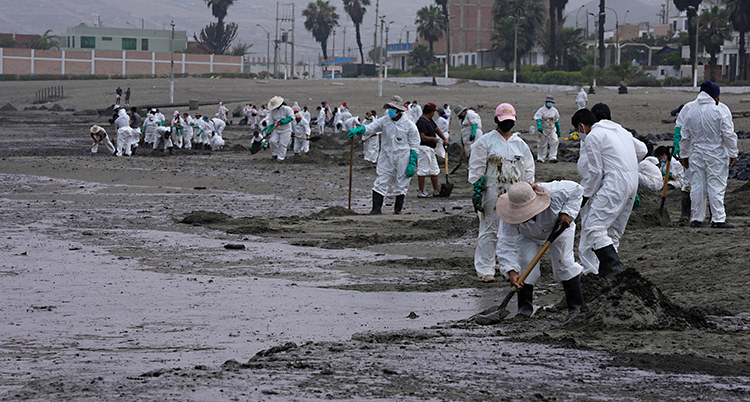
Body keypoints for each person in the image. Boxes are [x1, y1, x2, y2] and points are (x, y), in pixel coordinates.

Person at [496, 181, 584, 317]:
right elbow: (506, 242)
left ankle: (576, 307)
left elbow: (577, 190)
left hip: (559, 229)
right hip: (528, 236)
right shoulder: (508, 216)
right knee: (525, 265)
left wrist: (567, 213)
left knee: (564, 262)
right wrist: (511, 270)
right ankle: (524, 310)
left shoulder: (555, 192)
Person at [468, 103, 535, 282]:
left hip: (515, 194)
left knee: (514, 232)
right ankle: (486, 270)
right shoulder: (485, 141)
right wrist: (477, 188)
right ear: (497, 120)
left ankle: (510, 269)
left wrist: (528, 190)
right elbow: (476, 168)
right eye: (504, 121)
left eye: (510, 121)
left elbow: (528, 170)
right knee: (490, 230)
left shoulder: (520, 145)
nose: (507, 124)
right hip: (491, 193)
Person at [573, 106, 639, 279]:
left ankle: (614, 271)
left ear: (581, 126)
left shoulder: (593, 136)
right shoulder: (621, 131)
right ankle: (607, 277)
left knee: (593, 227)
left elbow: (595, 172)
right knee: (613, 233)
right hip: (633, 181)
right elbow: (642, 151)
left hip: (614, 182)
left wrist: (585, 196)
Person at [678, 80, 738, 228]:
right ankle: (717, 219)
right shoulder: (720, 110)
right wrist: (733, 153)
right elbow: (728, 134)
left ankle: (697, 218)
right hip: (716, 153)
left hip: (696, 153)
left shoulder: (690, 111)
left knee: (697, 186)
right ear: (714, 96)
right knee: (716, 186)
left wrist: (684, 156)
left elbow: (684, 136)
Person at [347, 95, 420, 215]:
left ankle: (397, 211)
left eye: (392, 108)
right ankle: (376, 210)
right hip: (386, 155)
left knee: (402, 182)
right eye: (389, 107)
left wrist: (412, 162)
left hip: (403, 157)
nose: (390, 110)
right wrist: (360, 130)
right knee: (381, 181)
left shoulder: (409, 125)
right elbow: (371, 128)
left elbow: (415, 144)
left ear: (399, 110)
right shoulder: (384, 120)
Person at [415, 102, 450, 198]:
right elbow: (422, 137)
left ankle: (436, 190)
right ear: (431, 112)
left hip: (431, 149)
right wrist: (433, 139)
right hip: (423, 148)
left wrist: (444, 139)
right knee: (423, 169)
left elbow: (437, 129)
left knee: (434, 170)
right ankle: (421, 191)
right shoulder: (421, 121)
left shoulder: (429, 120)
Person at [263, 96, 295, 162]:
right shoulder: (272, 112)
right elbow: (271, 121)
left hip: (286, 129)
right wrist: (269, 130)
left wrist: (285, 121)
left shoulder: (287, 109)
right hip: (276, 129)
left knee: (282, 144)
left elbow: (292, 117)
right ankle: (275, 154)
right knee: (272, 141)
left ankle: (281, 157)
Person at [533, 95, 561, 163]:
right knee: (542, 143)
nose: (550, 103)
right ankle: (541, 158)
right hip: (543, 128)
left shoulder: (554, 110)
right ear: (546, 102)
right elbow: (538, 118)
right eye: (549, 102)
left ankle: (552, 157)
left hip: (551, 128)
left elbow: (556, 120)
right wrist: (539, 127)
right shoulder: (541, 110)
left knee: (554, 142)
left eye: (551, 102)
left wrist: (558, 128)